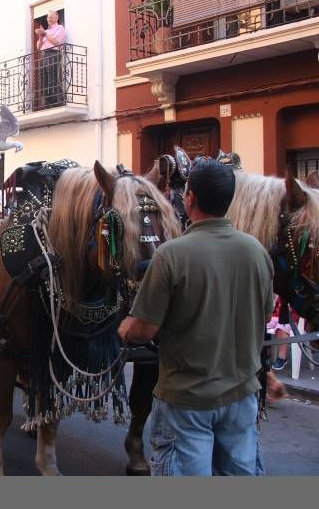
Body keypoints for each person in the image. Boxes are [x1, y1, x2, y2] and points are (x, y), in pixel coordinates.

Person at [117, 159, 273, 476]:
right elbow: (265, 313)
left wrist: (125, 328)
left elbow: (145, 330)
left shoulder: (171, 255)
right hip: (242, 398)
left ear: (189, 199)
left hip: (186, 404)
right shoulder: (256, 251)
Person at [34, 9, 66, 108]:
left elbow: (56, 42)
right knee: (43, 81)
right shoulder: (46, 31)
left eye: (51, 17)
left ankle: (58, 101)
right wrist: (40, 36)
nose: (49, 19)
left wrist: (45, 34)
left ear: (57, 17)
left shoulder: (60, 28)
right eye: (48, 17)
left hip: (53, 53)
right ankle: (47, 103)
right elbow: (38, 47)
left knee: (53, 80)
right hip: (44, 55)